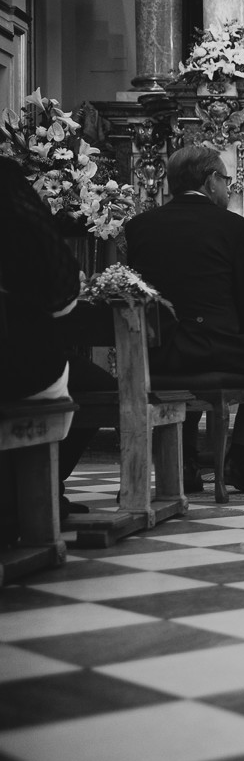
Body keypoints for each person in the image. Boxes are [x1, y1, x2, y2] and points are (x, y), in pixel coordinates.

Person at [125, 144, 244, 494]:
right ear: (212, 180)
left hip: (158, 351)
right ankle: (239, 462)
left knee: (189, 371)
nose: (228, 189)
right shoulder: (234, 228)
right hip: (217, 345)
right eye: (227, 181)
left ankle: (185, 463)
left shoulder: (140, 226)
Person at [0, 155, 116, 526]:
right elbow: (61, 295)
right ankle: (35, 494)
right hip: (15, 365)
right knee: (100, 388)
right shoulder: (9, 190)